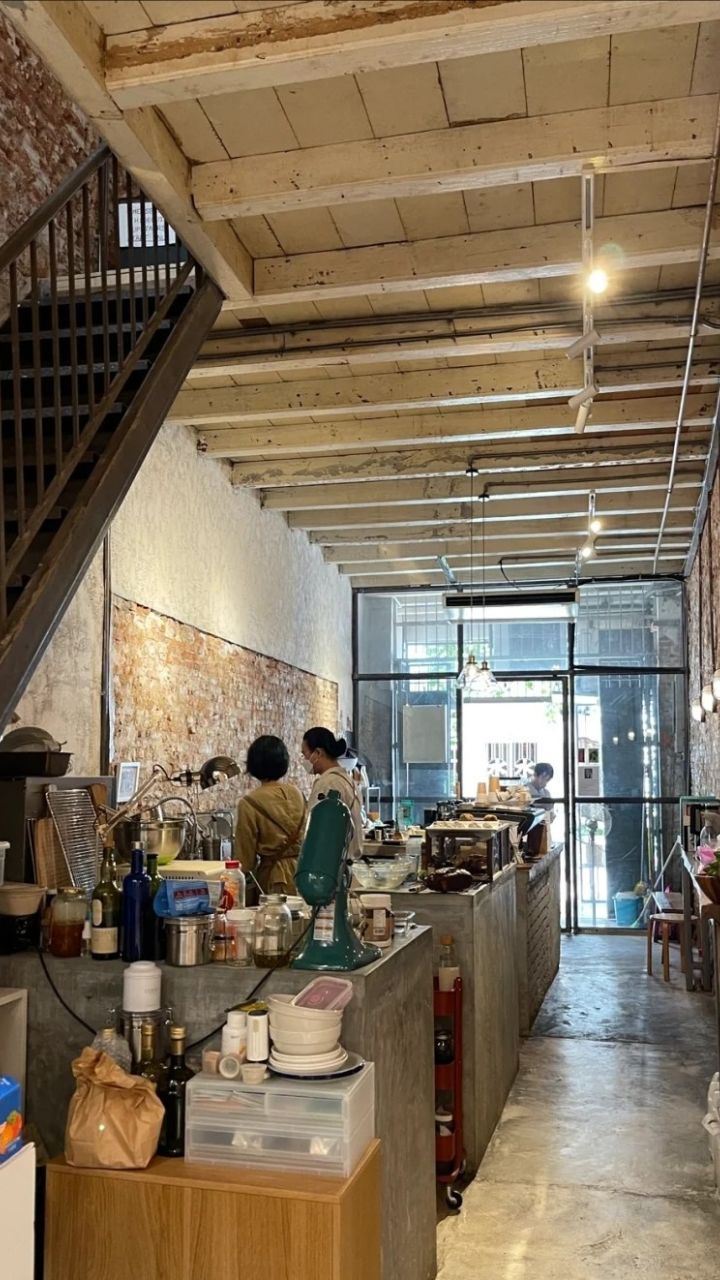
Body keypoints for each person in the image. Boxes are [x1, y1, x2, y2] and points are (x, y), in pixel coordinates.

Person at [234, 735, 306, 896]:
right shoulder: (298, 794)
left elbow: (245, 860)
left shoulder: (250, 803)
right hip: (303, 875)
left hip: (275, 878)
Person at [302, 727, 364, 859]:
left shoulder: (328, 783)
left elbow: (318, 830)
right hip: (349, 859)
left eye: (305, 754)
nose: (304, 760)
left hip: (331, 863)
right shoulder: (349, 781)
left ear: (318, 753)